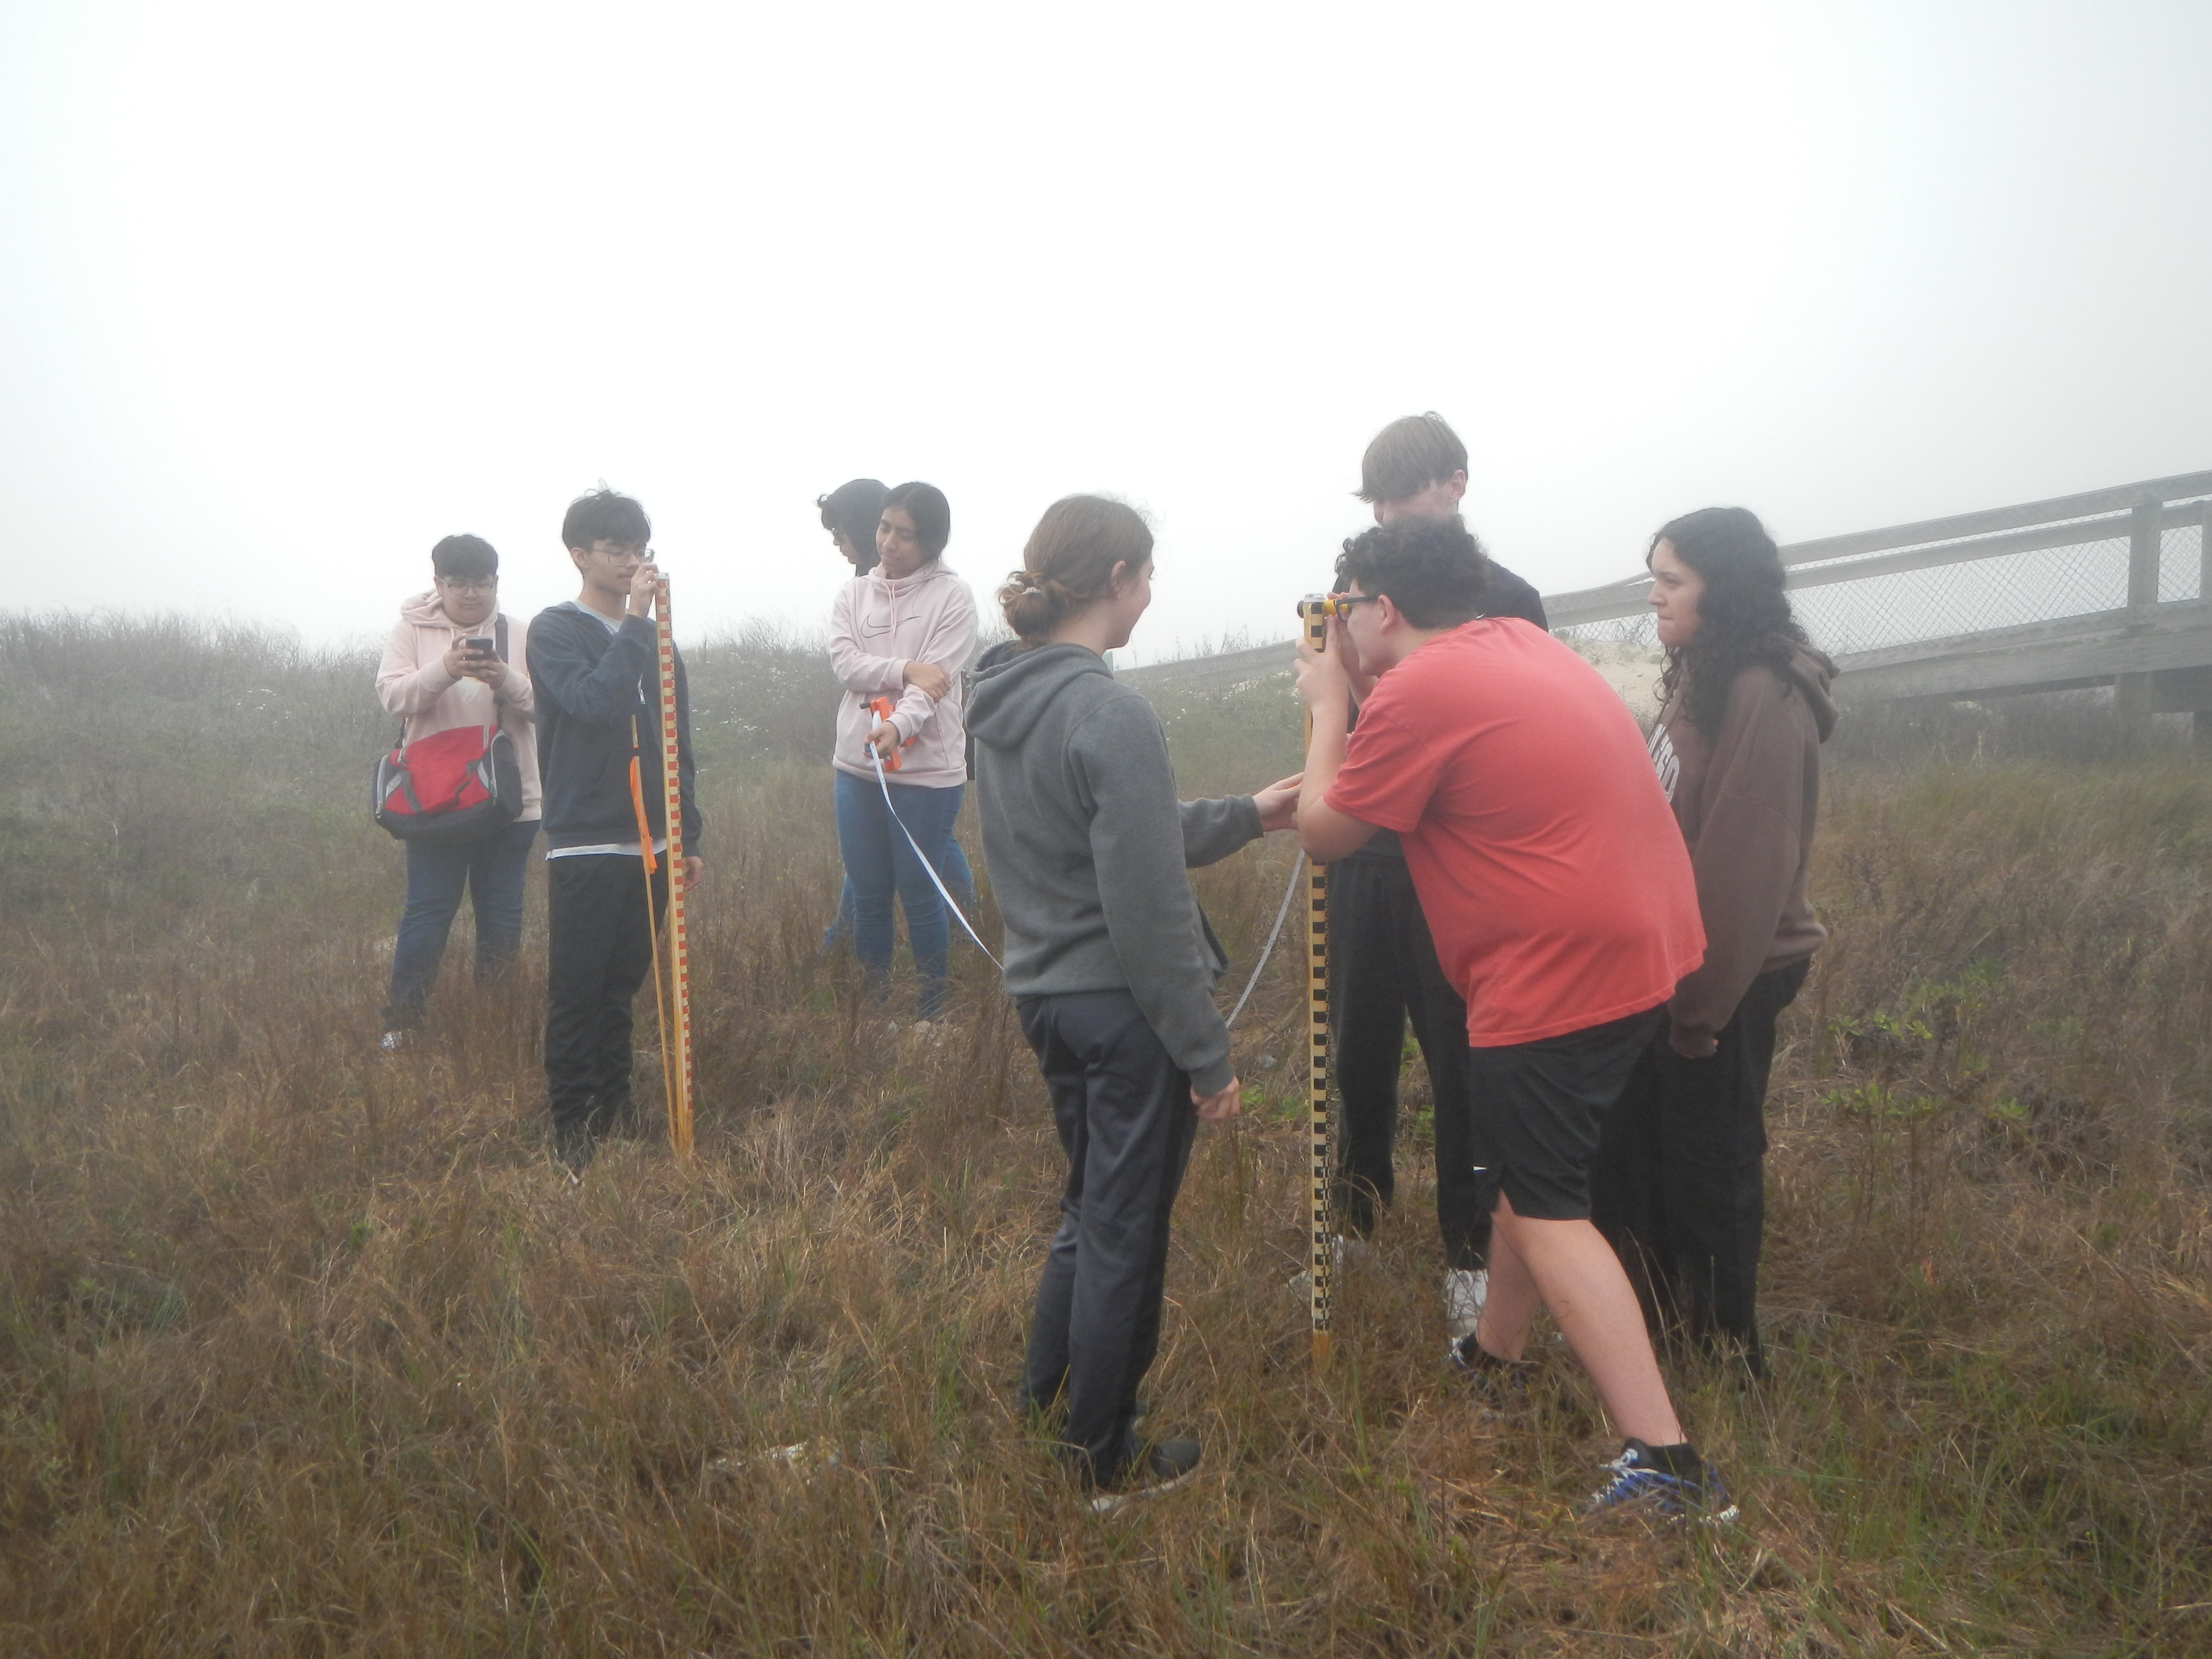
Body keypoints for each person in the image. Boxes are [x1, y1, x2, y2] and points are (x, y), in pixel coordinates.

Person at [1295, 514, 1736, 1524]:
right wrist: (1354, 694)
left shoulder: (1420, 690)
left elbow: (1327, 833)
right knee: (1526, 1166)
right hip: (1644, 945)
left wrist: (1327, 705)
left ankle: (1667, 1463)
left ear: (1383, 608)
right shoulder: (1515, 644)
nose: (1335, 627)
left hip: (1554, 973)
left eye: (1342, 608)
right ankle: (1496, 1358)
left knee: (1545, 1204)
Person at [969, 494, 1300, 1505]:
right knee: (1125, 1230)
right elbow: (1149, 905)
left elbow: (1123, 833)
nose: (1150, 596)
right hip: (1127, 1015)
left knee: (1087, 1211)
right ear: (1115, 578)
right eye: (1146, 577)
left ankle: (1050, 1406)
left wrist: (1249, 815)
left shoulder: (999, 692)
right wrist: (1207, 1058)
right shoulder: (1110, 710)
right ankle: (1099, 1464)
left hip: (1050, 1002)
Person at [1590, 507, 1837, 1379]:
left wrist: (1695, 1011)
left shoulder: (1763, 694)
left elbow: (1743, 870)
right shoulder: (1702, 676)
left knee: (1711, 1163)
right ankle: (1662, 1331)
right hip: (1671, 969)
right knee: (1651, 1154)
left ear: (1720, 590)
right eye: (1653, 577)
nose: (1654, 597)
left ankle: (1729, 1357)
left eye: (1673, 581)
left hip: (1726, 975)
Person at [1329, 412, 1549, 1347]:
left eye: (1408, 490)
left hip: (1453, 866)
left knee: (1463, 1060)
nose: (1392, 510)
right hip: (1363, 859)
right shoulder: (1351, 590)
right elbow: (1337, 721)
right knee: (1353, 1051)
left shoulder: (1509, 598)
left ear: (1456, 483)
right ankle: (1353, 1222)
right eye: (1379, 496)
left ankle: (1469, 1257)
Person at [526, 489, 703, 1176]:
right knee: (577, 989)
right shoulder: (555, 631)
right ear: (580, 555)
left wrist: (690, 834)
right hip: (589, 838)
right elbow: (594, 704)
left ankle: (615, 1108)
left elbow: (676, 737)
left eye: (638, 549)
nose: (631, 561)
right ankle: (573, 1128)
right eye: (616, 549)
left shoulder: (659, 641)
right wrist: (634, 623)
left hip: (655, 843)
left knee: (622, 986)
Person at [373, 534, 541, 1047]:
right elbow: (394, 698)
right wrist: (445, 668)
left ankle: (493, 1025)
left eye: (482, 583)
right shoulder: (410, 631)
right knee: (427, 911)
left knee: (503, 915)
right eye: (459, 583)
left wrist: (503, 679)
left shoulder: (521, 633)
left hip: (510, 801)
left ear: (496, 583)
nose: (471, 594)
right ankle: (403, 1024)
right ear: (438, 583)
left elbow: (547, 707)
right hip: (434, 799)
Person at [826, 482, 977, 1024]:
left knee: (918, 891)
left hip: (927, 773)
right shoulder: (853, 594)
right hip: (855, 766)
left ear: (931, 541)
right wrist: (901, 669)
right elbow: (845, 663)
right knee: (868, 892)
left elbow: (935, 682)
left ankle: (930, 1015)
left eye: (906, 535)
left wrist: (898, 728)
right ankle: (875, 1011)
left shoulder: (952, 598)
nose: (889, 542)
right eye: (885, 527)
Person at [816, 479, 887, 951]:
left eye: (841, 532)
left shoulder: (903, 588)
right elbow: (848, 665)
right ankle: (840, 936)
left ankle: (964, 937)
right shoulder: (858, 589)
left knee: (932, 843)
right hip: (866, 737)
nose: (838, 544)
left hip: (911, 733)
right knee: (868, 846)